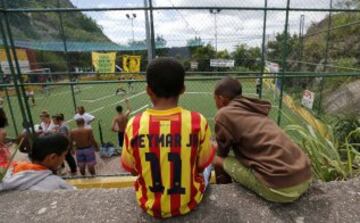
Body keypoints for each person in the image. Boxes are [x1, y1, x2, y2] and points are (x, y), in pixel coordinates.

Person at [121, 57, 215, 218]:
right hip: (189, 201)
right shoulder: (197, 121)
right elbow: (201, 165)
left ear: (148, 90)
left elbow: (132, 170)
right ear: (183, 89)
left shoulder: (134, 124)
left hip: (149, 204)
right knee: (208, 165)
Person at [212, 77, 312, 203]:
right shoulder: (252, 108)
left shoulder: (223, 114)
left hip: (282, 189)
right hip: (305, 176)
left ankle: (224, 193)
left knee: (216, 159)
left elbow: (221, 154)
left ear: (221, 99)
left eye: (214, 99)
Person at [0, 134, 75, 191]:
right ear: (53, 157)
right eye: (64, 155)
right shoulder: (58, 184)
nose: (64, 158)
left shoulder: (12, 171)